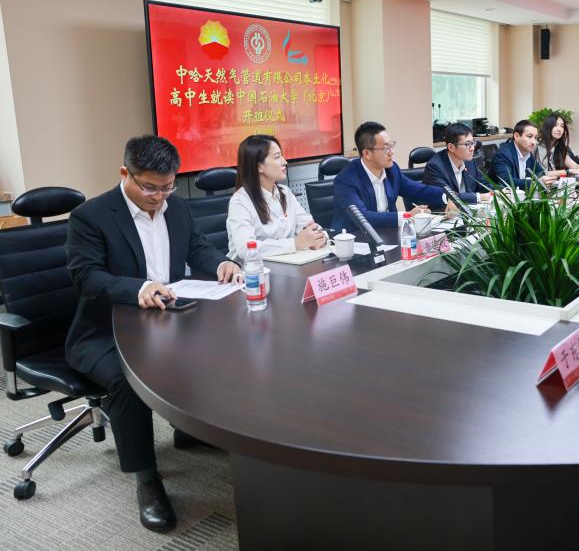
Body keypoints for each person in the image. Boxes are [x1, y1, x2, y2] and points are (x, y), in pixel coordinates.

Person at [65, 135, 241, 533]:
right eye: (149, 188)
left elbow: (198, 247)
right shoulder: (92, 216)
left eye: (167, 187)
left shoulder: (175, 206)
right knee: (128, 379)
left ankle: (188, 430)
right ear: (125, 173)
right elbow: (86, 276)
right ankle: (146, 477)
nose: (159, 197)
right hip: (105, 331)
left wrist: (221, 264)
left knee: (221, 347)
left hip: (169, 319)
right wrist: (139, 288)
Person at [226, 134, 327, 262]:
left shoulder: (285, 193)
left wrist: (319, 237)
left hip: (288, 265)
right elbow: (245, 249)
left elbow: (307, 225)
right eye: (277, 157)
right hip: (250, 270)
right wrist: (295, 243)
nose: (284, 162)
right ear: (259, 166)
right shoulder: (240, 202)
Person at [332, 121, 449, 229]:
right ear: (367, 153)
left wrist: (448, 198)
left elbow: (418, 190)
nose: (391, 152)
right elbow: (362, 218)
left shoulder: (392, 170)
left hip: (390, 235)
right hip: (357, 239)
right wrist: (407, 215)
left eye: (391, 145)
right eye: (385, 148)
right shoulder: (346, 180)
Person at [422, 122, 493, 204]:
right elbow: (449, 197)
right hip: (444, 210)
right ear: (451, 147)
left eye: (472, 143)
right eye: (467, 144)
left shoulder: (470, 162)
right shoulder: (435, 167)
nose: (472, 148)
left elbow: (483, 184)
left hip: (470, 209)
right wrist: (480, 197)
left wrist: (501, 191)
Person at [491, 119, 560, 190]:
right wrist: (535, 182)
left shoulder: (527, 153)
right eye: (529, 136)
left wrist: (537, 180)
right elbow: (506, 181)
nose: (534, 142)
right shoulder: (503, 154)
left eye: (535, 138)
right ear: (517, 136)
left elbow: (540, 172)